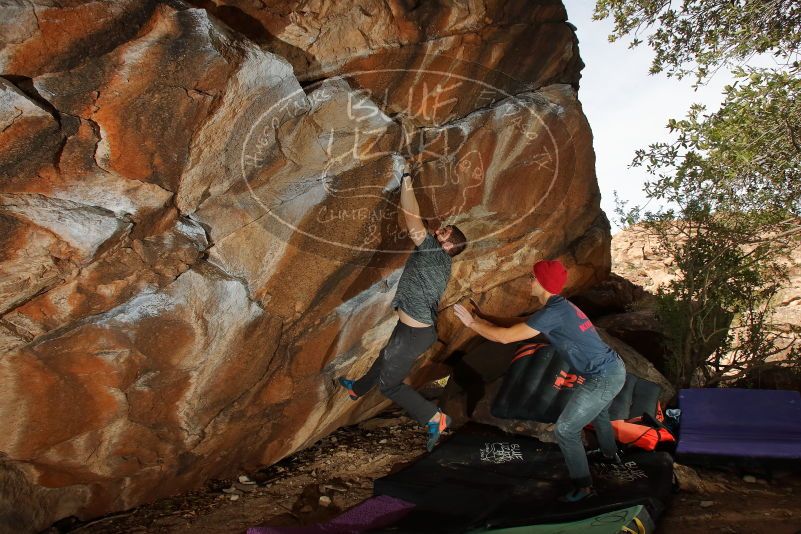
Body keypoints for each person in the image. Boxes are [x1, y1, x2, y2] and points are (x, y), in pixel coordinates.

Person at [453, 259, 626, 502]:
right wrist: (483, 316)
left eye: (532, 277)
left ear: (542, 283)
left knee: (566, 430)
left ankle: (584, 488)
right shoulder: (557, 307)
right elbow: (519, 325)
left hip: (604, 376)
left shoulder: (554, 312)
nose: (528, 281)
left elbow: (505, 338)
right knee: (599, 413)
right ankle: (610, 457)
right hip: (609, 369)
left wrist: (472, 323)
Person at [338, 160, 468, 452]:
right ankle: (357, 389)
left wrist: (406, 178)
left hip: (414, 334)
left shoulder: (435, 253)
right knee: (385, 356)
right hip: (413, 329)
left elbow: (412, 219)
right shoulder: (440, 259)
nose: (440, 231)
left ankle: (435, 417)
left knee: (390, 385)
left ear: (448, 246)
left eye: (445, 232)